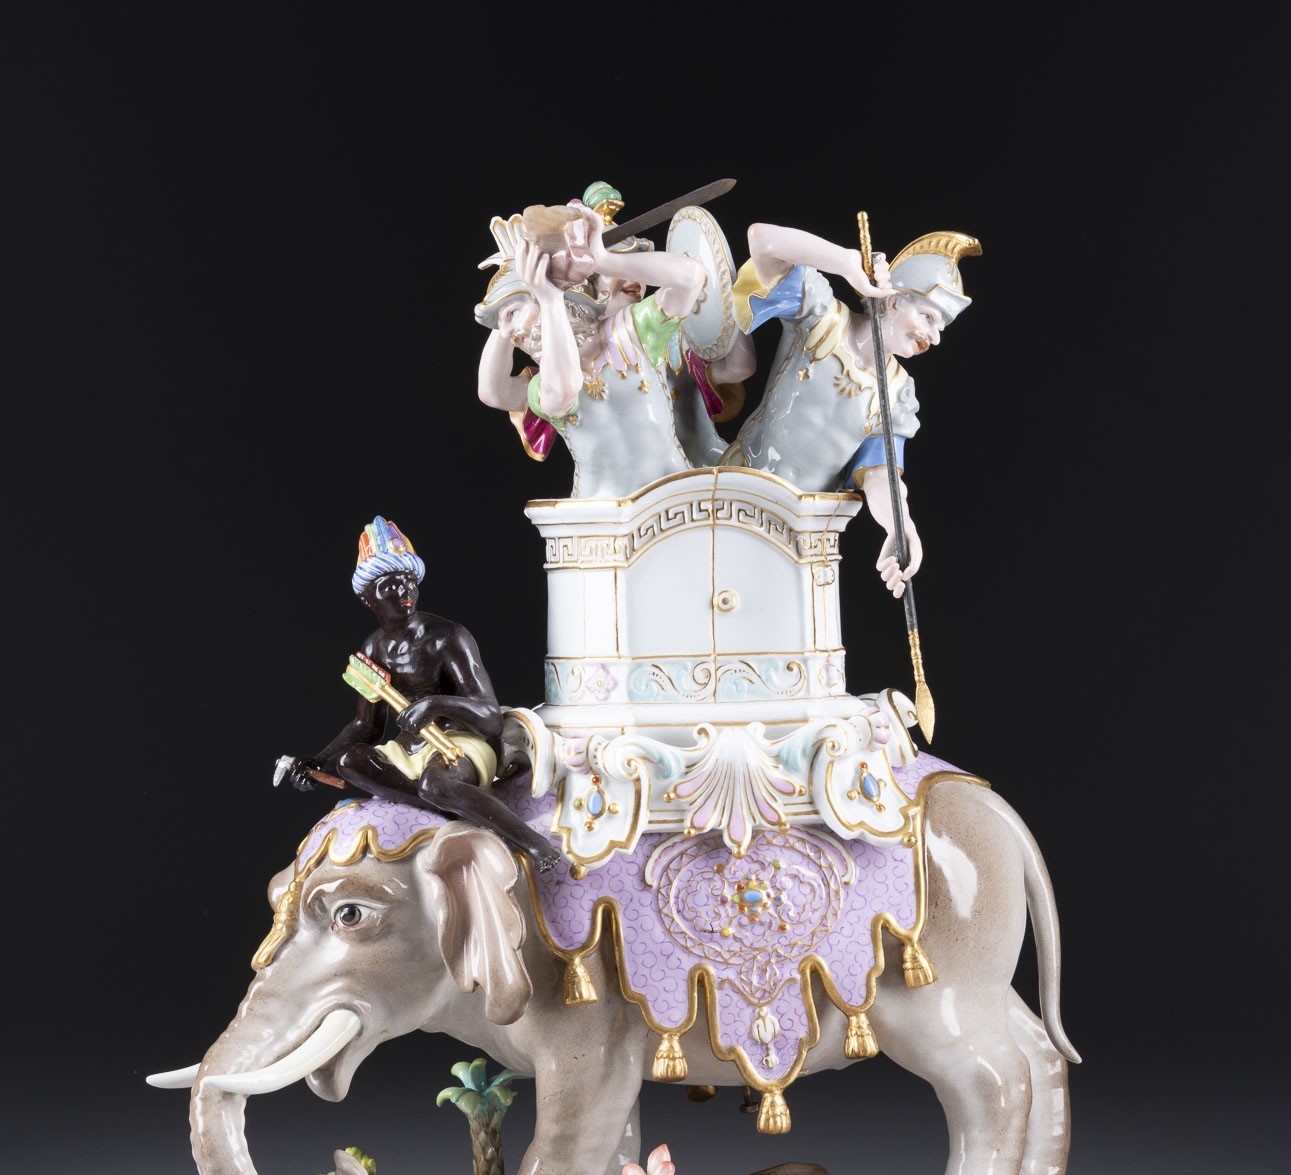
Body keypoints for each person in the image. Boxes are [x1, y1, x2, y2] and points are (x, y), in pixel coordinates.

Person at [283, 516, 563, 872]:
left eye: (409, 582)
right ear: (368, 598)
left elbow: (490, 719)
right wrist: (317, 761)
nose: (404, 592)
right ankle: (454, 808)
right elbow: (366, 726)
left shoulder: (447, 638)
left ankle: (532, 842)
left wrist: (435, 704)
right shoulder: (373, 649)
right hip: (411, 749)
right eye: (389, 585)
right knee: (350, 762)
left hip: (461, 743)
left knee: (436, 782)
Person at [733, 224, 980, 596]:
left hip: (807, 532)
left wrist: (900, 525)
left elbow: (879, 475)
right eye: (928, 318)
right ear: (893, 301)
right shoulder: (822, 319)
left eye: (941, 328)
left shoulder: (897, 392)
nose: (933, 337)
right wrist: (844, 261)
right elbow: (763, 240)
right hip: (741, 491)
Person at [475, 189, 709, 497]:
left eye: (514, 314)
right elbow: (554, 391)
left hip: (675, 497)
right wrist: (544, 300)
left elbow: (691, 276)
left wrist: (603, 260)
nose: (513, 334)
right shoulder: (544, 385)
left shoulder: (629, 332)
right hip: (597, 515)